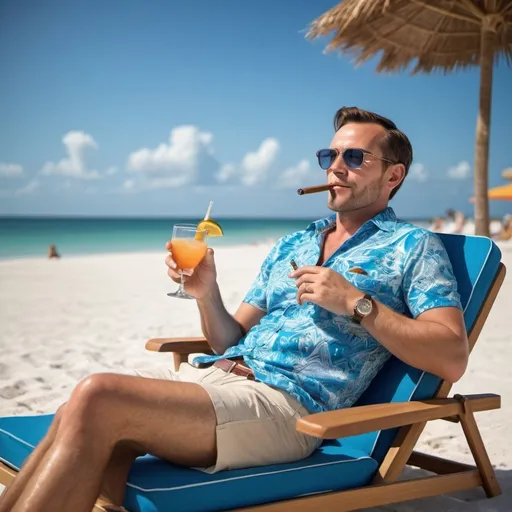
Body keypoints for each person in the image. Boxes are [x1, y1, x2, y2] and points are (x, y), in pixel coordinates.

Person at [0, 107, 469, 512]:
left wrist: (355, 303)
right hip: (214, 378)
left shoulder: (413, 247)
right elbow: (229, 338)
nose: (336, 168)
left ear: (393, 176)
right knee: (74, 411)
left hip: (289, 410)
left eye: (354, 157)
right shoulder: (298, 241)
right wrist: (207, 292)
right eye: (330, 156)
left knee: (97, 394)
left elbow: (451, 355)